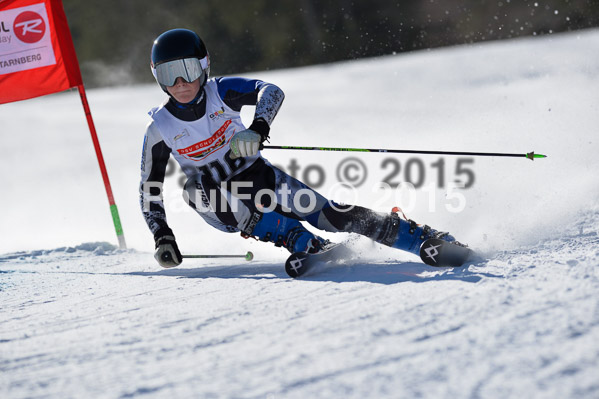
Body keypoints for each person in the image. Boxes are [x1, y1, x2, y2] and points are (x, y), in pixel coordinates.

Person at [140, 28, 460, 268]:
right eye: (170, 73)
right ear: (158, 78)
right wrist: (162, 235)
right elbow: (149, 188)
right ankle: (297, 237)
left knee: (330, 213)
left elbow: (271, 91)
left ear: (203, 66)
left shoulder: (220, 92)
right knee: (195, 188)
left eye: (188, 70)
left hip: (260, 178)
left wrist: (258, 128)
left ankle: (419, 239)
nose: (180, 82)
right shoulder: (161, 127)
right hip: (220, 204)